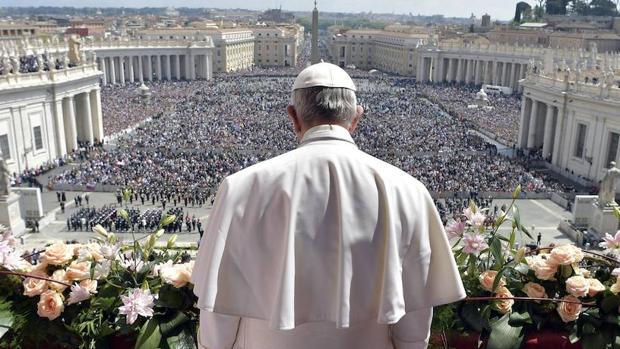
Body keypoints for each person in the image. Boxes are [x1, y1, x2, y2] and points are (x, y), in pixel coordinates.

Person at [192, 63, 465, 349]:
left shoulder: (241, 188)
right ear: (356, 118)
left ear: (294, 117)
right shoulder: (409, 191)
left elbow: (219, 307)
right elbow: (414, 314)